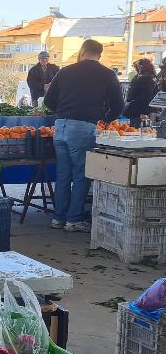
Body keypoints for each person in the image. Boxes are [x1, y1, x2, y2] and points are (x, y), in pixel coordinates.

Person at [44, 38, 124, 232]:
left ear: (82, 51)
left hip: (60, 126)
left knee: (63, 174)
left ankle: (59, 218)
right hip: (82, 128)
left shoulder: (65, 71)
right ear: (100, 54)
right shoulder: (107, 74)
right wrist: (105, 119)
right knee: (81, 175)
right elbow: (119, 106)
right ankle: (74, 219)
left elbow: (48, 100)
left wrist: (63, 112)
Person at [124, 58, 158, 126]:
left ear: (141, 67)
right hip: (149, 110)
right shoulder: (153, 78)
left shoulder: (140, 79)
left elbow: (131, 95)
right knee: (148, 132)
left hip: (138, 111)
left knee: (136, 131)